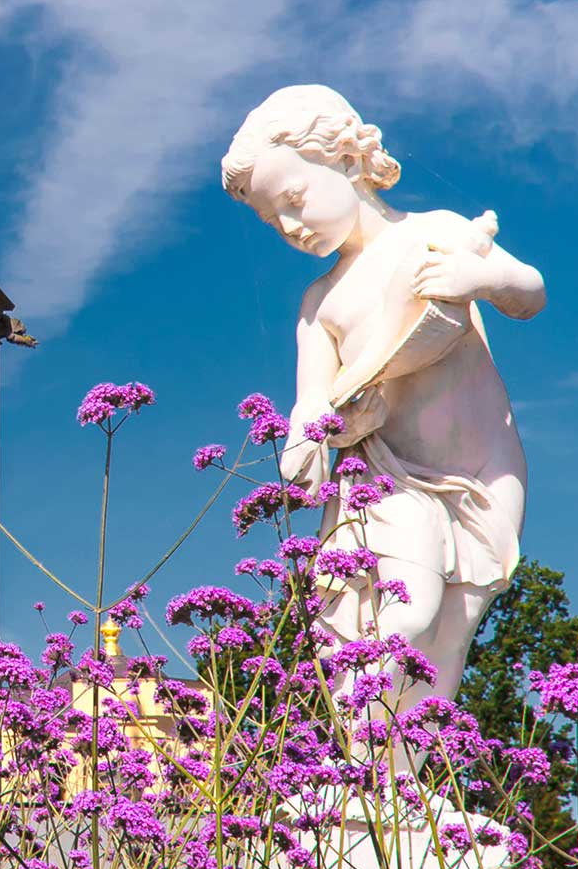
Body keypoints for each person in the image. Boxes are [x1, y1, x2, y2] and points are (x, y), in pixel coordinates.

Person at [220, 85, 547, 751]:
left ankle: (406, 781)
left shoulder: (437, 235)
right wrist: (310, 440)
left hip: (483, 469)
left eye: (294, 200)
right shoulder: (321, 304)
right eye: (272, 220)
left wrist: (476, 279)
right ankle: (360, 767)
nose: (290, 226)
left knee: (452, 631)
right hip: (389, 477)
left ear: (344, 158)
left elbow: (530, 292)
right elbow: (312, 405)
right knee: (407, 615)